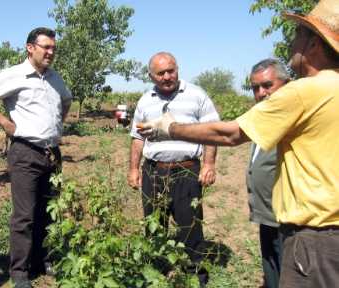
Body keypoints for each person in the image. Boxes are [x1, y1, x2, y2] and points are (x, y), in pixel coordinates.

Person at [137, 0, 339, 286]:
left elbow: (228, 134)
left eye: (298, 35)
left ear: (314, 44)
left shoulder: (303, 92)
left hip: (317, 236)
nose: (292, 42)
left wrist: (169, 127)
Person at [0, 27, 72, 288]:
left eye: (53, 48)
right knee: (24, 215)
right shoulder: (14, 75)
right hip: (25, 152)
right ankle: (19, 272)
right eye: (46, 47)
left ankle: (44, 260)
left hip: (52, 153)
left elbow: (66, 99)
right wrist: (4, 122)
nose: (51, 52)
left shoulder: (54, 78)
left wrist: (57, 125)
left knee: (49, 211)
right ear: (30, 47)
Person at [128, 52, 219, 286]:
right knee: (154, 224)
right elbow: (137, 138)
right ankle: (156, 272)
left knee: (189, 225)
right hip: (153, 171)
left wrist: (208, 164)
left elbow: (212, 130)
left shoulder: (196, 95)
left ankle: (194, 275)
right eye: (161, 73)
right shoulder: (145, 100)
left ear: (177, 69)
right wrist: (134, 169)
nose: (167, 76)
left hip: (187, 171)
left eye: (171, 70)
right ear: (151, 76)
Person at [247, 59, 289, 288]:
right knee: (271, 270)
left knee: (289, 274)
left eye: (267, 85)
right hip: (267, 216)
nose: (261, 93)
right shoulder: (264, 118)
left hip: (288, 219)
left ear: (286, 84)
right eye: (255, 88)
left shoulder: (294, 118)